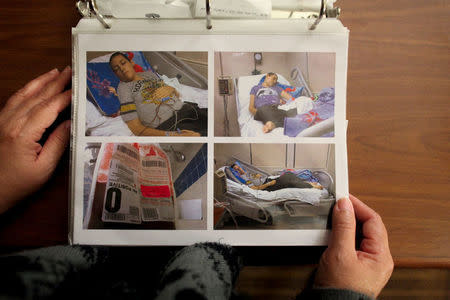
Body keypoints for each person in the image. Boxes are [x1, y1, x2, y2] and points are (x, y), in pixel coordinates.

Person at [0, 68, 393, 299]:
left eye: (126, 63)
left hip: (188, 112)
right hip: (171, 131)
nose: (124, 69)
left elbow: (178, 93)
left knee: (264, 160)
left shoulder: (151, 75)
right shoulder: (124, 92)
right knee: (270, 176)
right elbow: (138, 124)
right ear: (114, 75)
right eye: (117, 66)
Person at [108, 52, 207, 137]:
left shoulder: (149, 74)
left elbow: (176, 95)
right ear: (116, 74)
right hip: (171, 124)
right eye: (116, 69)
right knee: (203, 136)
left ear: (131, 62)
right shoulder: (123, 88)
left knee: (217, 123)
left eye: (123, 63)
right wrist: (172, 135)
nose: (121, 69)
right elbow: (136, 129)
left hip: (188, 109)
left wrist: (170, 88)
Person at [230, 162, 323, 190]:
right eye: (236, 169)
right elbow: (254, 188)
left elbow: (257, 177)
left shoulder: (247, 173)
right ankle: (312, 186)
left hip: (268, 180)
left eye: (239, 167)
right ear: (236, 172)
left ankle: (305, 182)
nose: (239, 169)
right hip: (267, 186)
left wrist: (257, 176)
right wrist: (268, 184)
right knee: (288, 181)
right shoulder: (244, 178)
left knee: (288, 174)